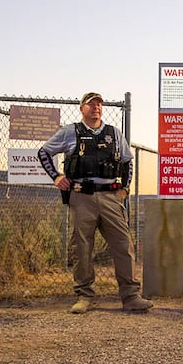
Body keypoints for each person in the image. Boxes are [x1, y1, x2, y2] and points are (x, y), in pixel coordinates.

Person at [38, 92, 153, 314]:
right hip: (82, 196)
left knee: (123, 245)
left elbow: (128, 161)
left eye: (99, 104)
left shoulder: (113, 133)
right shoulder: (71, 132)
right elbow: (44, 152)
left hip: (111, 196)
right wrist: (56, 176)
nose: (96, 107)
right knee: (82, 247)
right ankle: (84, 296)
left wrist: (125, 188)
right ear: (82, 108)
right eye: (91, 104)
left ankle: (130, 297)